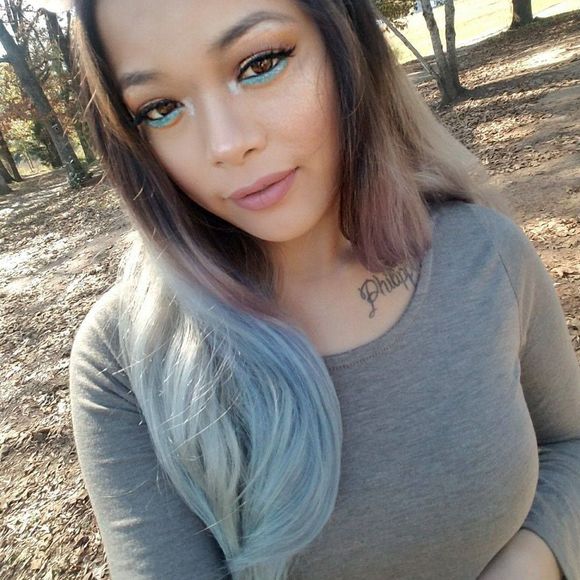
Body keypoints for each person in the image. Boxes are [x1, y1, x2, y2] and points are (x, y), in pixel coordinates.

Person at [68, 0, 580, 578]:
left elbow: (569, 445)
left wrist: (532, 561)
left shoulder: (484, 251)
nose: (226, 144)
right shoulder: (127, 361)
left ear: (346, 45)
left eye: (260, 63)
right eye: (160, 108)